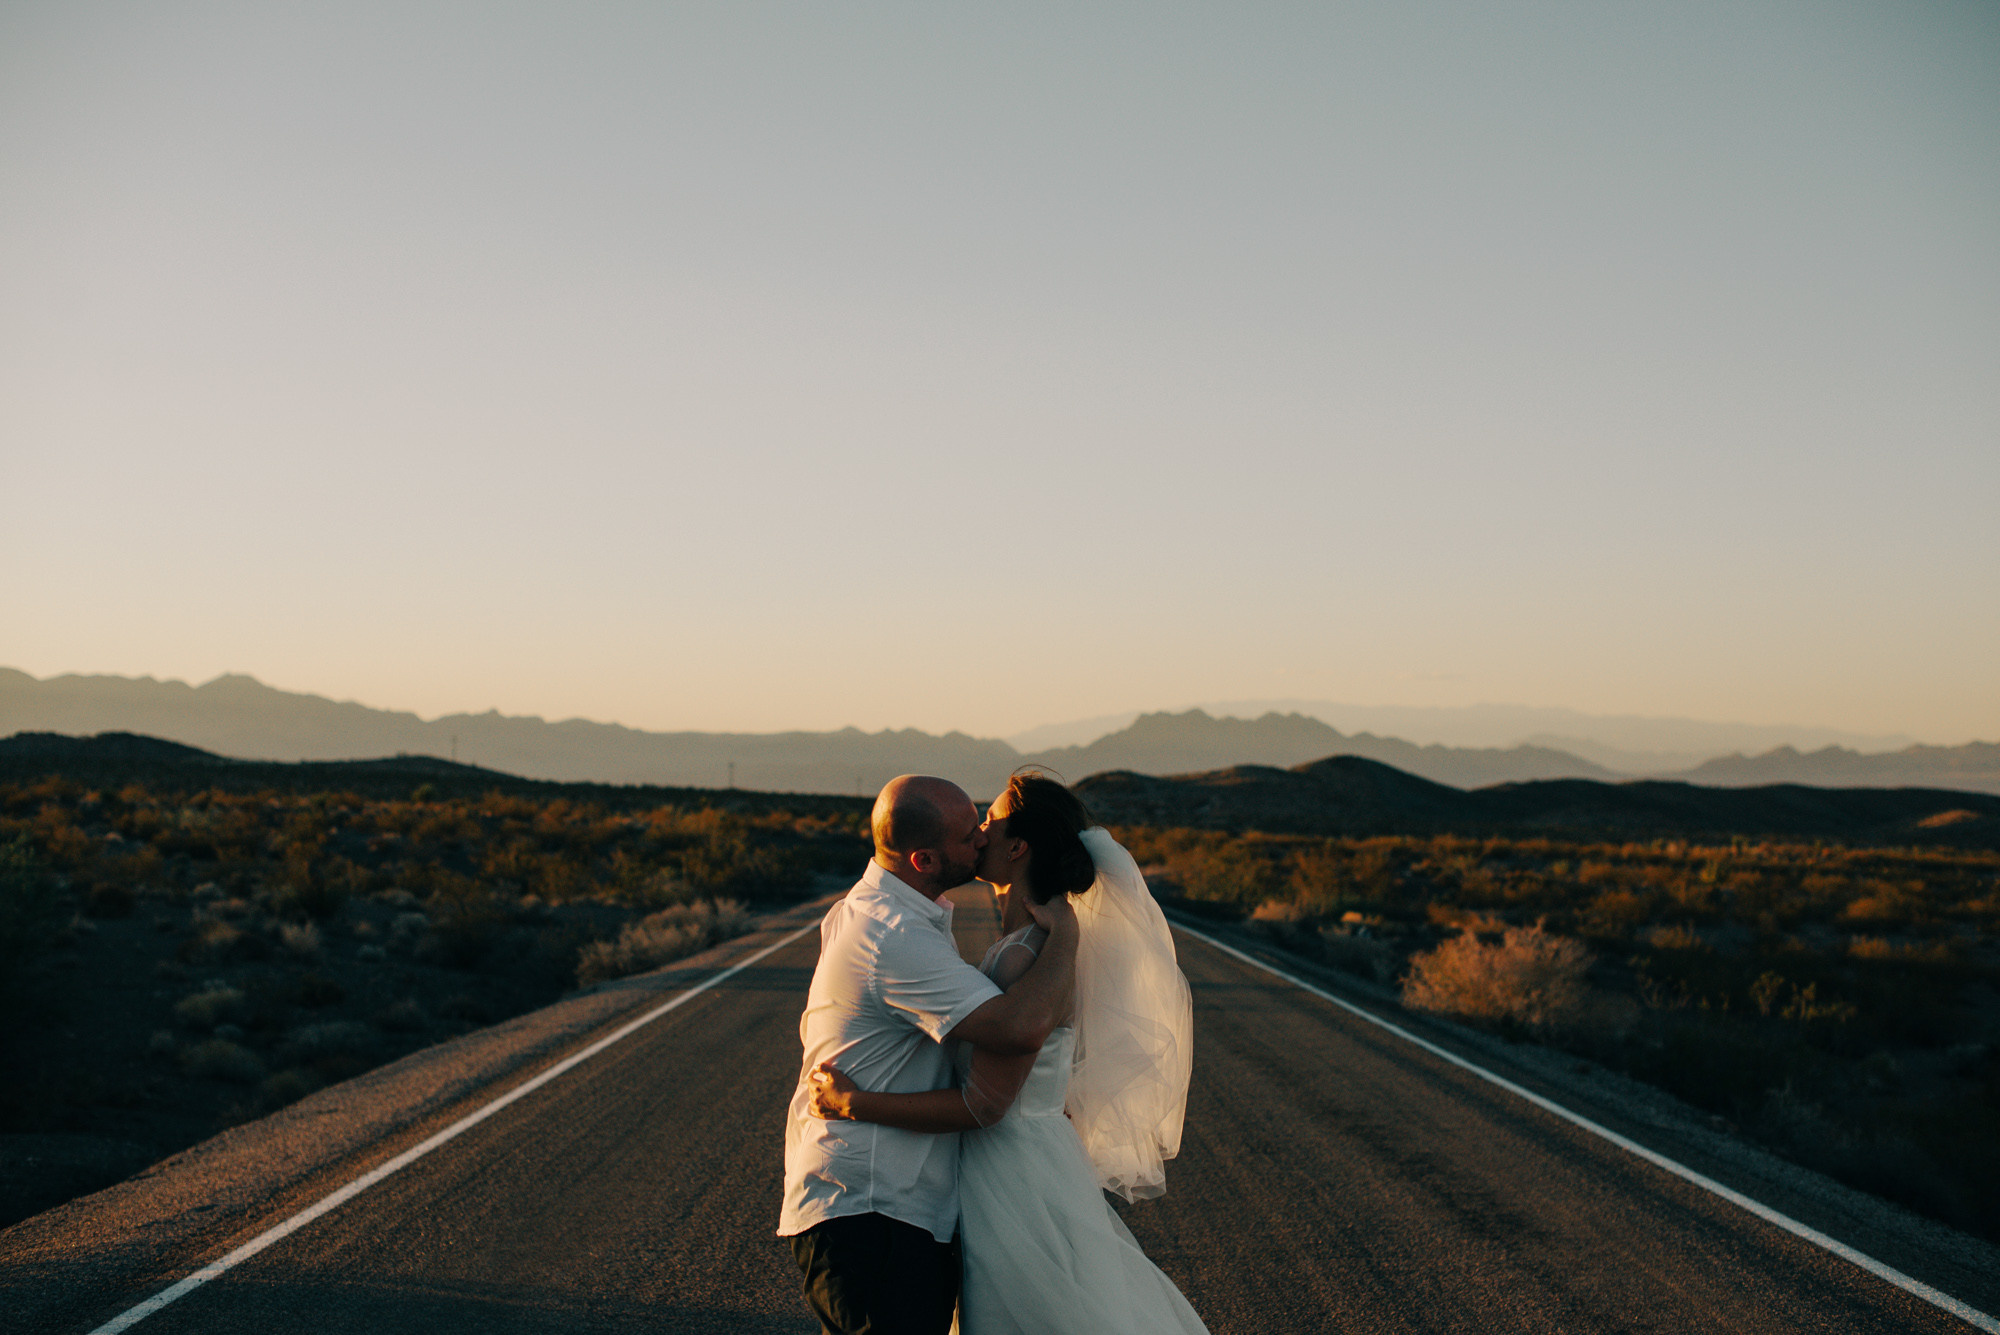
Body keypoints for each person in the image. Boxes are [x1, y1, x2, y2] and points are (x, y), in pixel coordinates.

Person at [807, 772, 1208, 1335]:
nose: (979, 834)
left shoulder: (1025, 957)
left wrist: (856, 1103)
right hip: (1015, 1163)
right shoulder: (1020, 951)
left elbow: (990, 1096)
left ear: (1016, 847)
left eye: (987, 824)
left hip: (1009, 1171)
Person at [778, 774, 1081, 1335]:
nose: (982, 839)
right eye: (971, 833)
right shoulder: (895, 936)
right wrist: (1067, 932)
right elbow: (1018, 1029)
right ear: (924, 859)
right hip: (870, 1206)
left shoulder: (883, 911)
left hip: (900, 1209)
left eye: (986, 824)